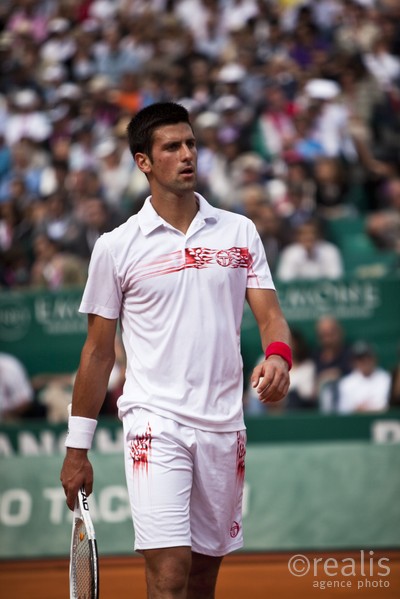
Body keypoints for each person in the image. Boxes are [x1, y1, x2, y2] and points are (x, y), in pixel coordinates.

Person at [60, 102, 291, 599]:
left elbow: (271, 316)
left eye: (191, 143)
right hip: (154, 422)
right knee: (170, 575)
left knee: (203, 579)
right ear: (143, 161)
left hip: (224, 424)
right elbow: (98, 353)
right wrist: (76, 449)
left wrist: (277, 355)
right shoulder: (116, 247)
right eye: (172, 147)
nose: (187, 154)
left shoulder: (239, 231)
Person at [337, 341, 391, 414]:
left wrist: (365, 409)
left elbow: (386, 407)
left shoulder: (386, 379)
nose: (365, 361)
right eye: (360, 359)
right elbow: (343, 410)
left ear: (375, 358)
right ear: (354, 362)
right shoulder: (346, 383)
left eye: (368, 357)